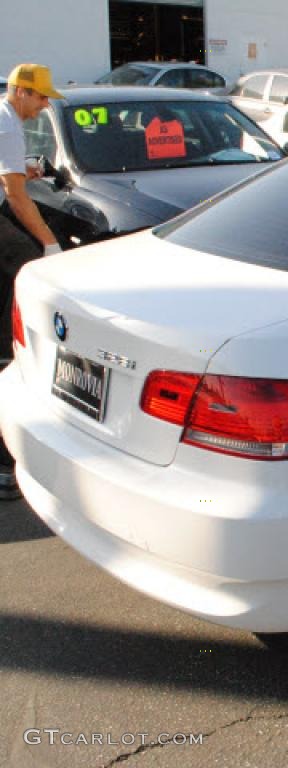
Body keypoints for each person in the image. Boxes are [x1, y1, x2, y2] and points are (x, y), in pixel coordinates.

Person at [0, 63, 64, 499]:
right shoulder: (8, 124)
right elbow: (16, 196)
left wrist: (23, 169)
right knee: (24, 261)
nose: (44, 106)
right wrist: (50, 244)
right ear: (20, 92)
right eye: (40, 97)